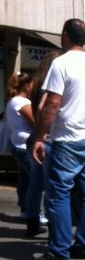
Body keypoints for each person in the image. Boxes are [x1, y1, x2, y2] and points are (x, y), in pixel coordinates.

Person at [23, 18, 85, 260]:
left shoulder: (60, 64)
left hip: (68, 140)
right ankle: (84, 245)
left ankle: (58, 252)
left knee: (58, 195)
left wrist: (39, 137)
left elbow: (52, 104)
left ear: (65, 36)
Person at [25, 51, 60, 237]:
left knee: (35, 185)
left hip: (34, 136)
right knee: (50, 186)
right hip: (47, 137)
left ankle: (31, 223)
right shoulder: (51, 87)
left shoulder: (36, 85)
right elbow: (43, 109)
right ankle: (54, 228)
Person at [5, 72, 35, 219]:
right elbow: (34, 123)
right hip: (25, 145)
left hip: (17, 143)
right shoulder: (23, 103)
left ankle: (25, 209)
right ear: (27, 86)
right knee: (34, 180)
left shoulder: (13, 100)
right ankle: (33, 212)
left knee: (24, 179)